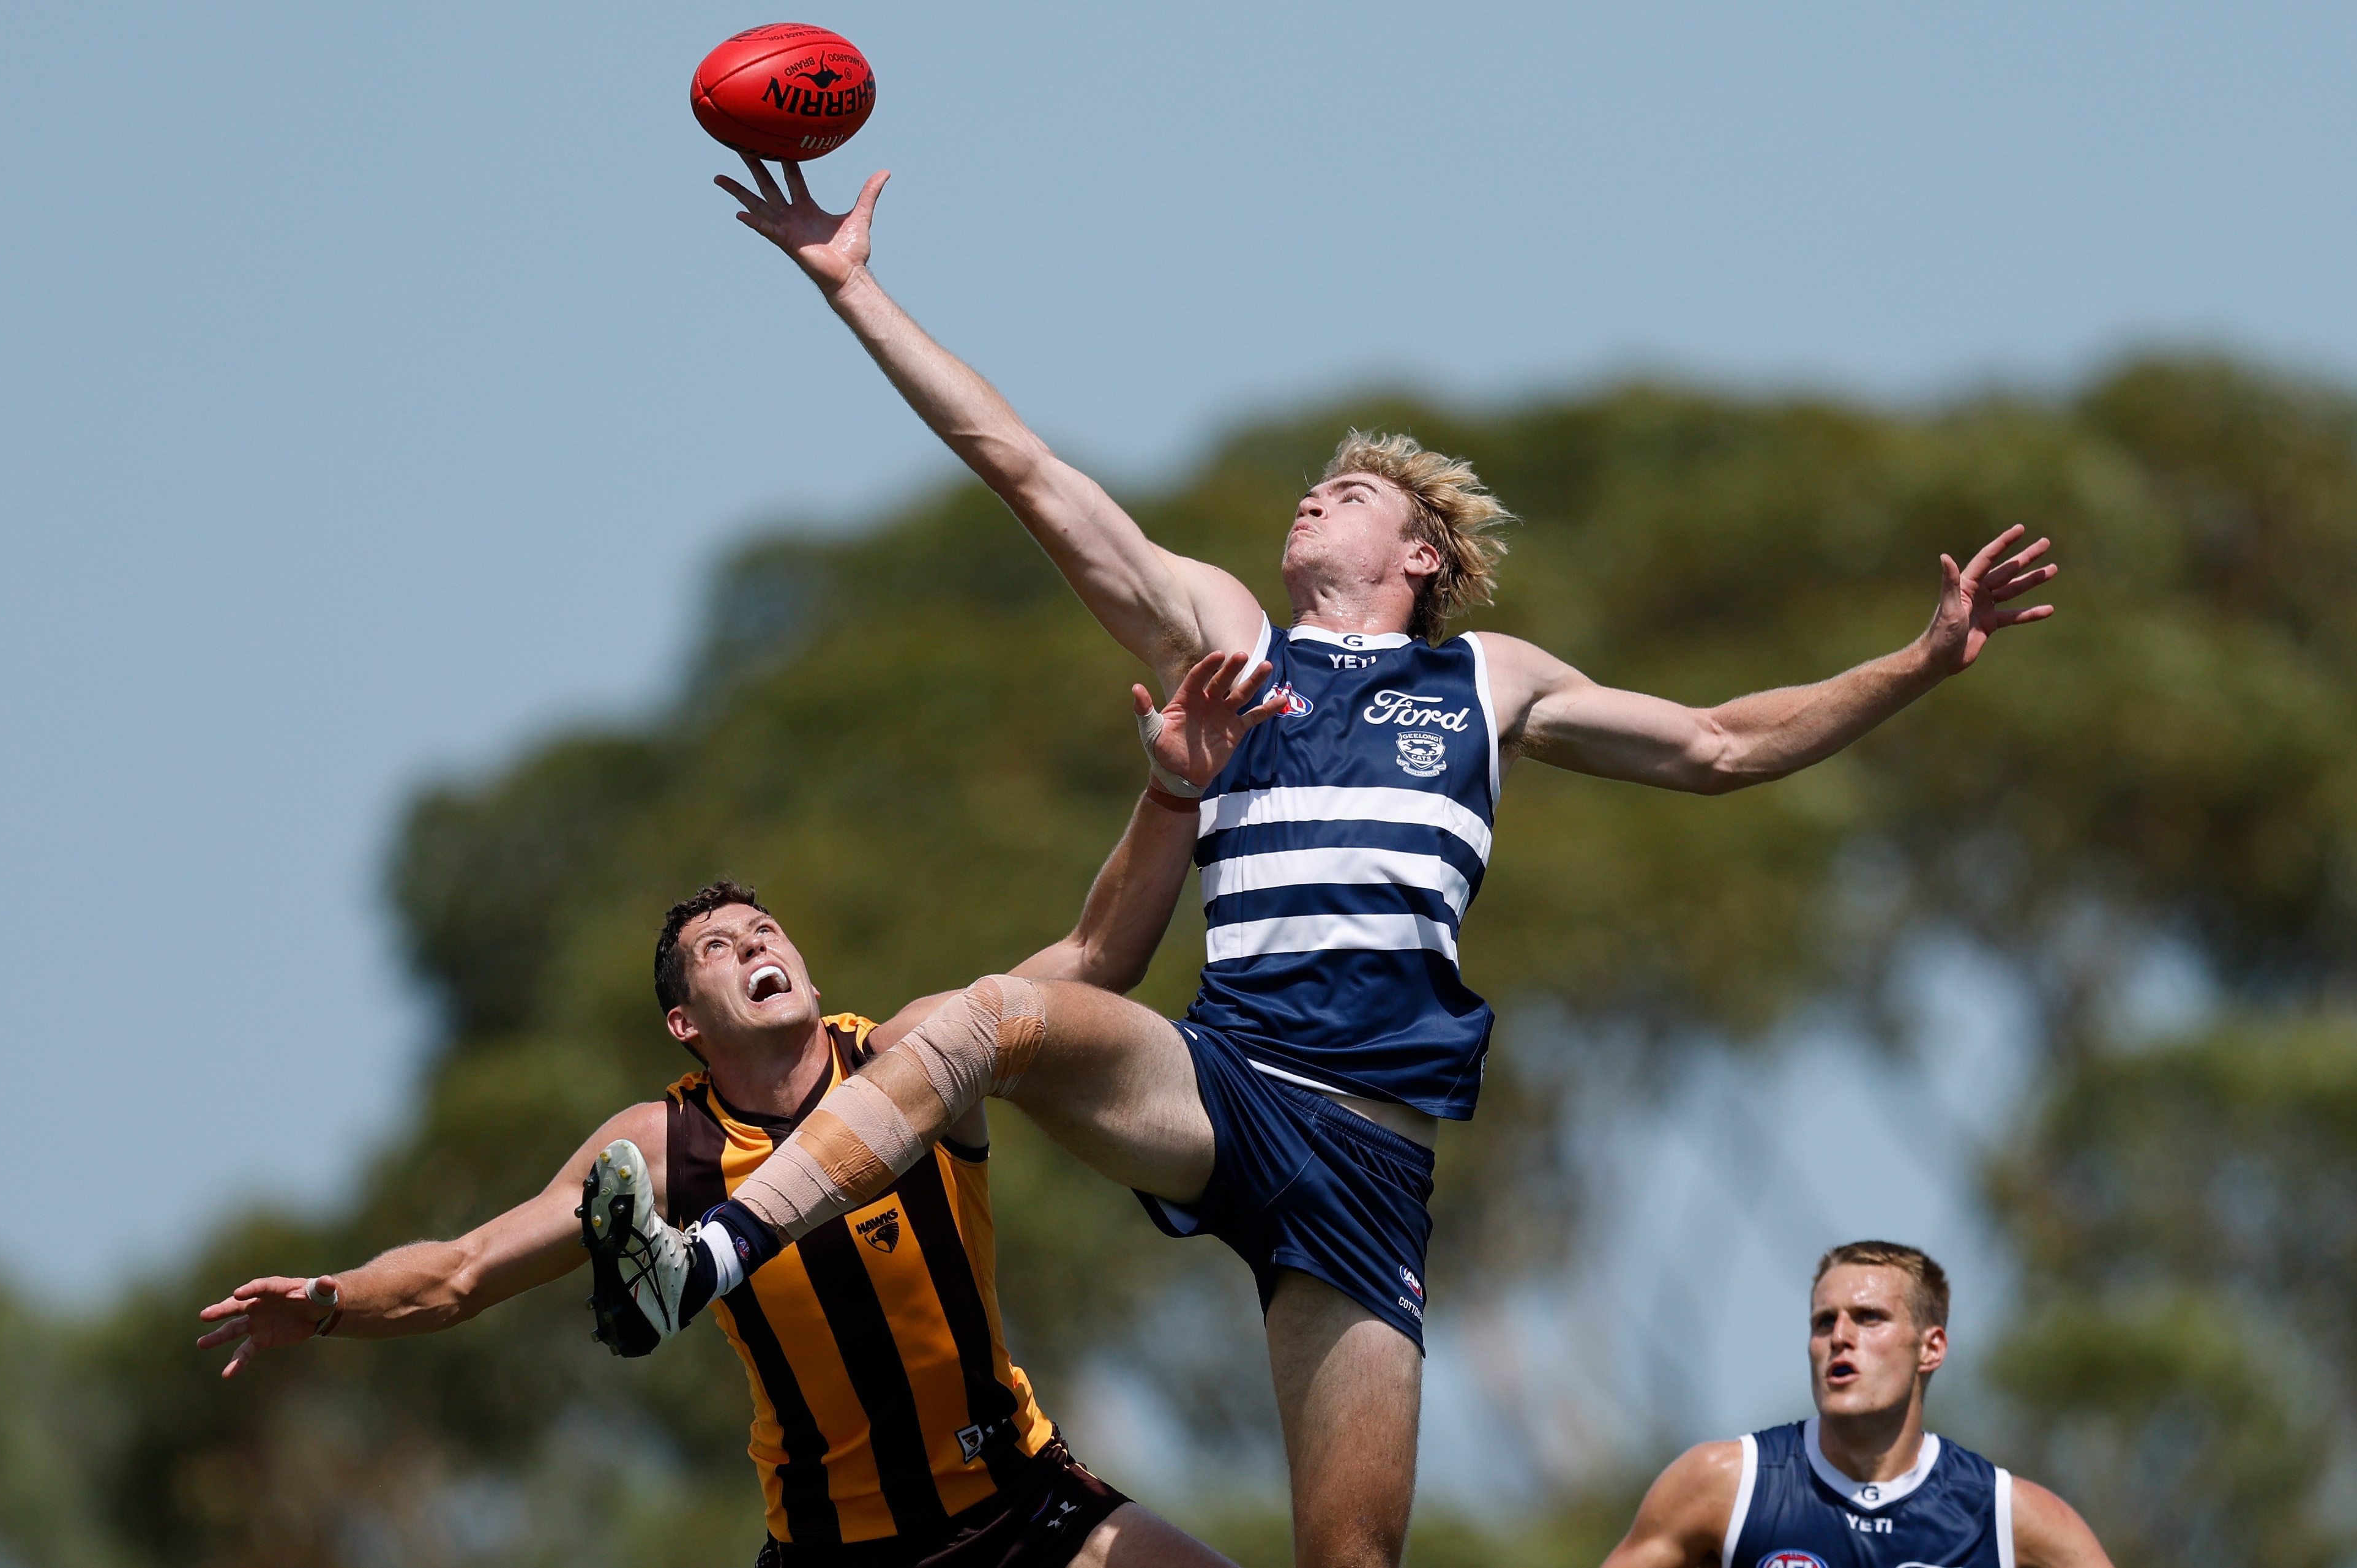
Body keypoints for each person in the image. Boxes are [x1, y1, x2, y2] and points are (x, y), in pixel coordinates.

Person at [683, 157, 2063, 1568]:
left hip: (1369, 1157)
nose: (1309, 505)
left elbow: (1721, 742)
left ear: (1420, 554)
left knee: (1353, 1559)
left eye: (1343, 496)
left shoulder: (1491, 680)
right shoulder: (1230, 637)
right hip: (1224, 1082)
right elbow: (1026, 468)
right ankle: (714, 1252)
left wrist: (1920, 661)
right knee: (991, 1018)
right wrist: (853, 287)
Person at [196, 654, 1285, 1568]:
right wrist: (330, 1301)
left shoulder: (914, 1055)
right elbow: (465, 1269)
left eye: (764, 930)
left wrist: (1171, 792)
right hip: (832, 1549)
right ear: (685, 1024)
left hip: (1021, 1505)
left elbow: (1099, 956)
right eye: (718, 949)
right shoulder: (660, 1146)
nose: (756, 944)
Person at [1599, 1241, 2113, 1568]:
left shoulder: (2006, 1516)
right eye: (1824, 1322)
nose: (1840, 1337)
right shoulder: (1724, 1485)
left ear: (1931, 1348)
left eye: (1869, 1318)